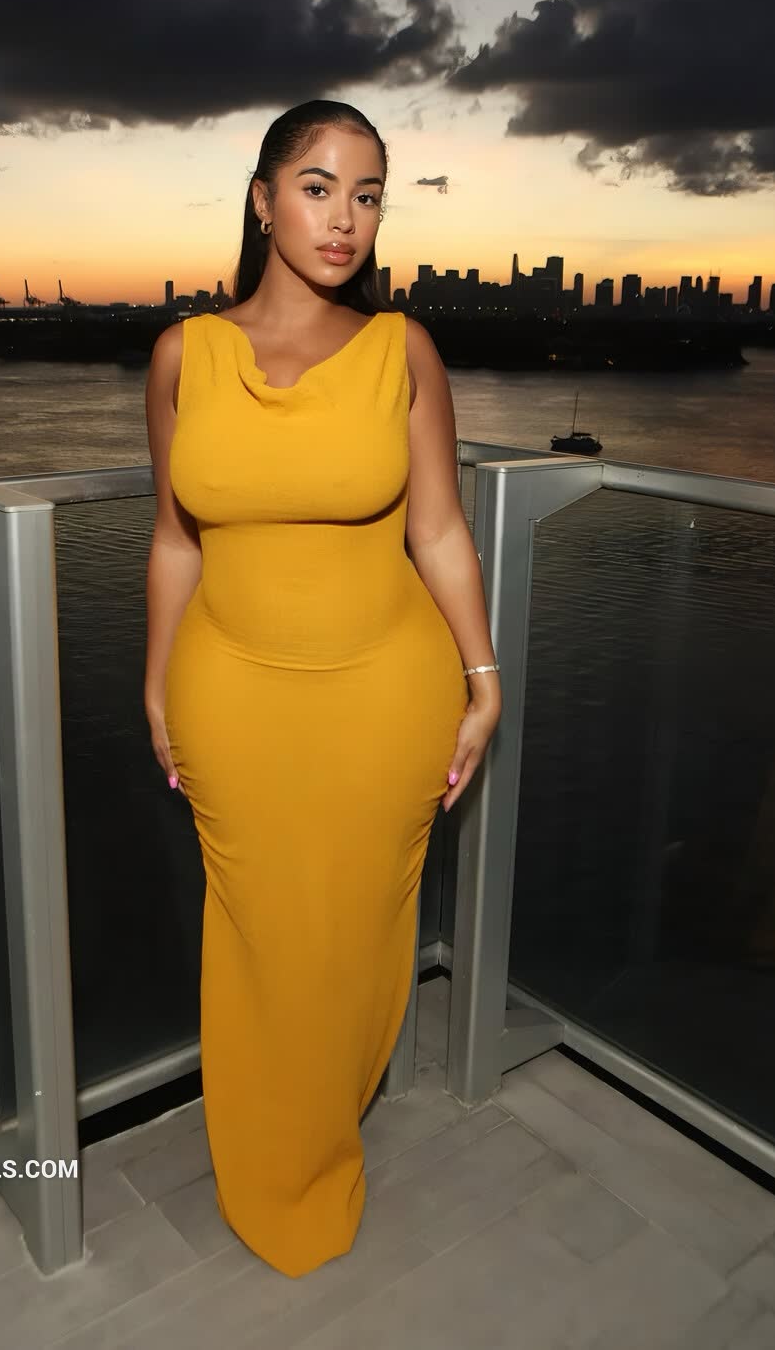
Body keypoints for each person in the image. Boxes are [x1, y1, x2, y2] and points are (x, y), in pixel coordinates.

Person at [142, 98, 501, 1278]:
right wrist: (155, 681)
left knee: (355, 935)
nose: (344, 218)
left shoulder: (404, 350)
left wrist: (483, 677)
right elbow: (176, 540)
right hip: (229, 694)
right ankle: (275, 1161)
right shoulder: (184, 355)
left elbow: (439, 531)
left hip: (384, 697)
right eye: (317, 187)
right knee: (261, 936)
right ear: (262, 201)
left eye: (367, 195)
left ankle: (323, 1129)